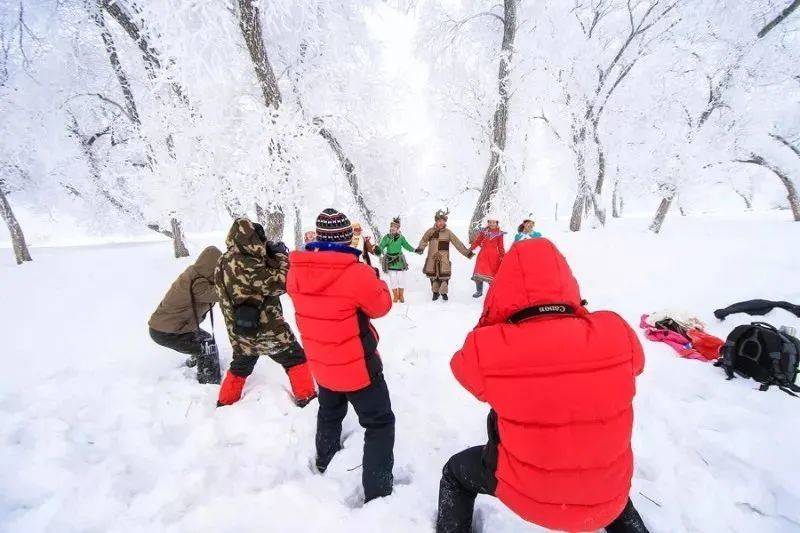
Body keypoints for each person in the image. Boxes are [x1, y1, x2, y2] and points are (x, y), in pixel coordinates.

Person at [436, 238, 648, 533]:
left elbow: (462, 370)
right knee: (607, 499)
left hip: (528, 496)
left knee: (455, 474)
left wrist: (492, 319)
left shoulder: (487, 346)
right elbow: (637, 365)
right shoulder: (616, 330)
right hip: (609, 492)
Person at [286, 208, 395, 504]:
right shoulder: (356, 272)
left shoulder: (296, 271)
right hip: (358, 368)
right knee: (380, 423)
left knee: (329, 412)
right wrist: (375, 278)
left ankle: (325, 461)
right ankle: (378, 493)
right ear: (347, 238)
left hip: (322, 363)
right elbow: (381, 306)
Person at [215, 218, 317, 408]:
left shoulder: (223, 260)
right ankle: (307, 398)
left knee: (240, 365)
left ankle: (225, 403)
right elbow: (282, 282)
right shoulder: (248, 262)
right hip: (268, 329)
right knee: (295, 358)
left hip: (240, 329)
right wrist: (280, 256)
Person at [149, 246, 223, 384]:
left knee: (206, 339)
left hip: (172, 327)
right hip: (166, 332)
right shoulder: (197, 283)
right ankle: (209, 383)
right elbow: (219, 294)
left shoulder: (195, 275)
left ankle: (195, 362)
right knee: (208, 348)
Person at [415, 209, 474, 301]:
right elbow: (424, 240)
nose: (441, 223)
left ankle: (444, 292)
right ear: (436, 221)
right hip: (432, 258)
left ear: (445, 221)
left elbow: (457, 243)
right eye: (439, 221)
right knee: (433, 276)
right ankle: (435, 292)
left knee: (444, 275)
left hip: (444, 258)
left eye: (443, 221)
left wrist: (467, 253)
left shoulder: (448, 233)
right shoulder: (430, 231)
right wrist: (420, 248)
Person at [374, 216, 415, 303]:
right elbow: (381, 246)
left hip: (399, 261)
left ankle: (401, 295)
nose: (392, 228)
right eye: (391, 227)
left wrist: (414, 250)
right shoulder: (386, 237)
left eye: (395, 227)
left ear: (397, 229)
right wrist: (378, 250)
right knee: (393, 279)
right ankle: (395, 296)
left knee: (401, 279)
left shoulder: (401, 238)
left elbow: (406, 245)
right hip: (390, 261)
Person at [469, 216, 505, 298]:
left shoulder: (499, 234)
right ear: (488, 223)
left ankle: (493, 292)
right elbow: (478, 241)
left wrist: (502, 256)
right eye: (490, 222)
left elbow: (500, 246)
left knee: (491, 274)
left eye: (494, 222)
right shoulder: (483, 231)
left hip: (494, 257)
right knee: (479, 272)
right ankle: (479, 291)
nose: (492, 224)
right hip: (483, 255)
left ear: (497, 223)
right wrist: (471, 248)